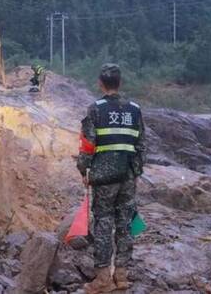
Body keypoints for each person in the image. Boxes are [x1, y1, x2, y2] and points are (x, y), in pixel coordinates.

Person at [77, 63, 146, 293]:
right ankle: (123, 275)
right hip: (127, 176)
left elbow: (87, 146)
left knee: (104, 223)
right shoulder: (134, 110)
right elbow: (141, 145)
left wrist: (83, 170)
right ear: (120, 83)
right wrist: (136, 172)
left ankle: (103, 279)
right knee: (126, 223)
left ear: (100, 83)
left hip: (104, 179)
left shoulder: (95, 109)